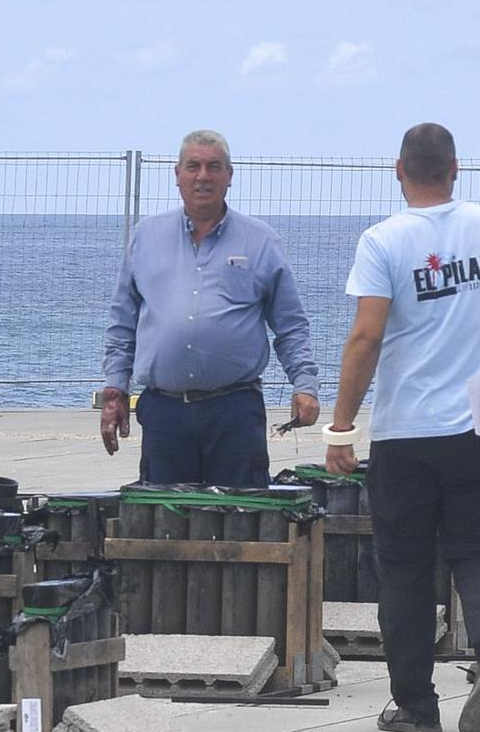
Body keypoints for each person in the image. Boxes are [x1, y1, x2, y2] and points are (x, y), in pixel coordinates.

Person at [325, 123, 480, 732]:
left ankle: (414, 703)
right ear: (458, 169)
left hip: (407, 429)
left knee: (406, 567)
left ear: (398, 169)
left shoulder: (383, 240)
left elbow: (367, 336)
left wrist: (340, 426)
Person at [99, 131, 320, 487]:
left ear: (229, 175)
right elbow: (122, 324)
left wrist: (305, 385)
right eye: (193, 166)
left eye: (213, 167)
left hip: (234, 411)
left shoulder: (260, 240)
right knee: (167, 525)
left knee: (243, 524)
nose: (203, 176)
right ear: (177, 174)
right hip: (163, 414)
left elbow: (290, 325)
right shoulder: (145, 237)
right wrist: (115, 391)